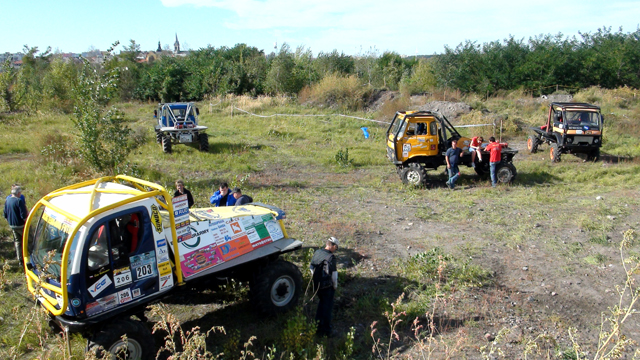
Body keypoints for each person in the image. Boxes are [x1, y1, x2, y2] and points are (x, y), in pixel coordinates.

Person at [310, 237, 339, 337]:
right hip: (327, 286)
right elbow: (334, 274)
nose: (335, 250)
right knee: (327, 308)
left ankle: (317, 327)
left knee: (321, 305)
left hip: (317, 285)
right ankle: (326, 331)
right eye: (336, 248)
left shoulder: (317, 252)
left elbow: (311, 267)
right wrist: (334, 286)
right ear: (333, 246)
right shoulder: (331, 257)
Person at [3, 186, 28, 265]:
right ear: (18, 193)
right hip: (21, 225)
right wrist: (26, 222)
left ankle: (20, 259)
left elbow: (5, 214)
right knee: (28, 241)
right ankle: (29, 257)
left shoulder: (7, 200)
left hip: (12, 225)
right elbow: (23, 215)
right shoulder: (19, 201)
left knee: (17, 242)